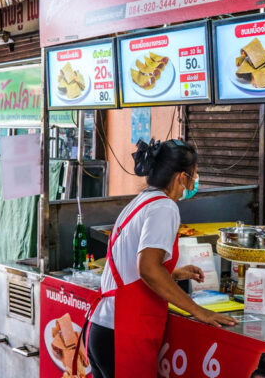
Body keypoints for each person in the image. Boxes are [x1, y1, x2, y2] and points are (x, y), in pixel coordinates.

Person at [87, 139, 236, 378]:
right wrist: (199, 311)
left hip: (103, 327)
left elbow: (131, 265)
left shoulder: (142, 201)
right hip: (123, 330)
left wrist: (173, 274)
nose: (195, 181)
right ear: (180, 177)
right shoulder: (164, 207)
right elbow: (147, 268)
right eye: (194, 174)